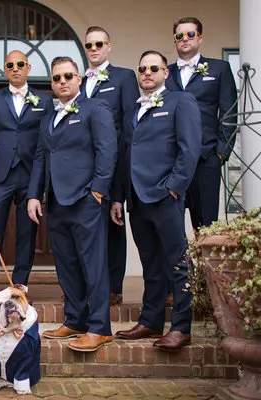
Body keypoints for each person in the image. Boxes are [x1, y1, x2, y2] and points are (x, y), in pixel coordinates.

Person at [27, 56, 117, 352]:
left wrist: (98, 192)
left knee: (94, 265)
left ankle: (100, 327)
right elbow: (41, 158)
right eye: (56, 78)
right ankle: (75, 319)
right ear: (51, 84)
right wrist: (33, 195)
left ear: (79, 79)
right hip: (56, 202)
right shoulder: (47, 120)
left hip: (85, 199)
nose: (62, 82)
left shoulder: (95, 109)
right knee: (66, 265)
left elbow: (107, 151)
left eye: (68, 76)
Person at [112, 50, 201, 351]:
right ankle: (150, 321)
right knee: (150, 263)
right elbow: (126, 156)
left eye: (153, 68)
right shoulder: (132, 111)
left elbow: (189, 150)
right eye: (142, 69)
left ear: (165, 72)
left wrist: (174, 187)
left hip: (165, 196)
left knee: (177, 262)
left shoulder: (180, 102)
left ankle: (181, 326)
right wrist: (119, 197)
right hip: (136, 199)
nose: (147, 73)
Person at [0, 50, 53, 307]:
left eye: (20, 64)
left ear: (28, 67)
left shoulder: (44, 100)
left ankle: (20, 286)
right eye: (10, 65)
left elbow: (47, 138)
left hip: (30, 174)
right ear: (5, 70)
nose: (15, 68)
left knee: (28, 232)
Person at [80, 26, 139, 306]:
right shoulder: (78, 81)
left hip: (113, 162)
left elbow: (129, 125)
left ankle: (114, 286)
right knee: (88, 226)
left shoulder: (124, 77)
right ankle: (90, 284)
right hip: (82, 166)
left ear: (109, 46)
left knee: (113, 224)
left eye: (99, 44)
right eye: (89, 45)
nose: (94, 49)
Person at [166, 17, 237, 231]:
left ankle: (206, 266)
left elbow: (229, 113)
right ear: (175, 41)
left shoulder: (219, 69)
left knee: (206, 228)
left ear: (200, 38)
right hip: (170, 161)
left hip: (206, 159)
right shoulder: (164, 73)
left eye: (190, 34)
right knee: (171, 227)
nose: (184, 39)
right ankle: (180, 266)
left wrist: (220, 154)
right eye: (179, 35)